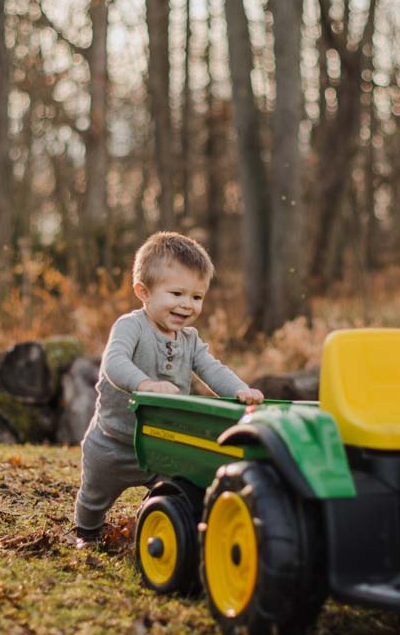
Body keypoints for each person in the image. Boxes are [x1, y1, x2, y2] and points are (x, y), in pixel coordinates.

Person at [73, 231, 264, 546]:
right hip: (113, 441)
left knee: (179, 489)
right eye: (176, 294)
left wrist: (240, 390)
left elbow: (212, 370)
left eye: (196, 297)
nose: (187, 305)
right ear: (143, 292)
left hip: (164, 442)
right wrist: (145, 385)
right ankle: (86, 533)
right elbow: (114, 362)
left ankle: (159, 522)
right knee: (94, 497)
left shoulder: (190, 339)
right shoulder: (131, 326)